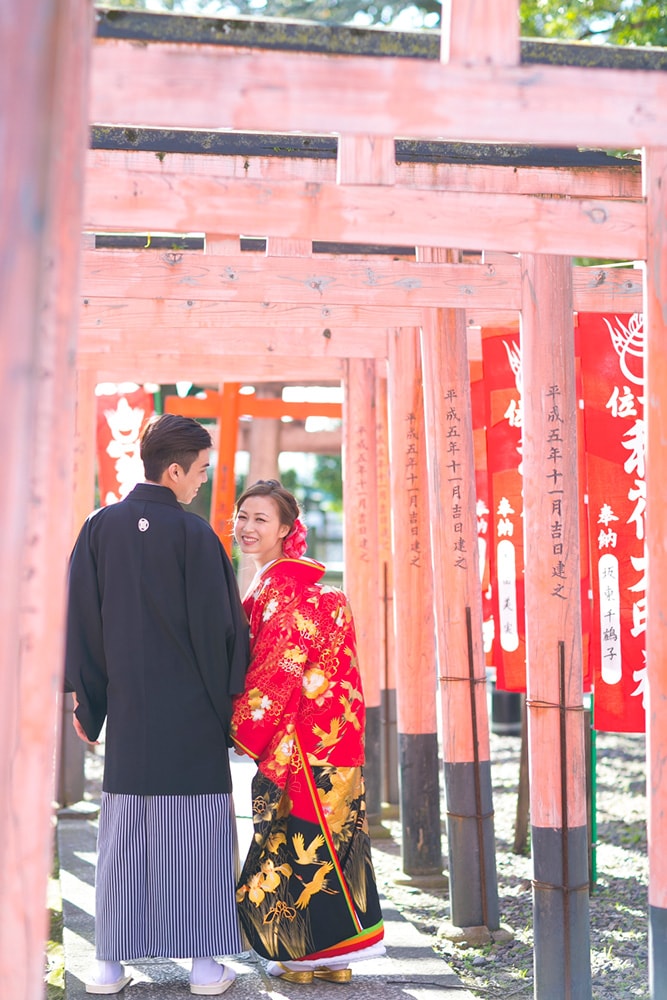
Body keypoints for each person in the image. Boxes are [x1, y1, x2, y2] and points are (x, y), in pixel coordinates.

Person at [64, 413, 250, 996]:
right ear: (174, 470)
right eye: (200, 471)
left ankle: (109, 967)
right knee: (197, 835)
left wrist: (89, 704)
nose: (201, 481)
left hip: (130, 715)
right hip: (192, 716)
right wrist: (230, 709)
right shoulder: (196, 537)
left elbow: (84, 626)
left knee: (124, 835)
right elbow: (225, 631)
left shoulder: (99, 528)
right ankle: (201, 968)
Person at [230, 479, 385, 984]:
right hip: (339, 738)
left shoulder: (283, 593)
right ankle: (338, 959)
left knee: (292, 838)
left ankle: (299, 956)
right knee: (338, 839)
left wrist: (233, 724)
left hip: (296, 742)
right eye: (243, 516)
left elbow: (273, 675)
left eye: (261, 520)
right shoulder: (314, 590)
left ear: (284, 530)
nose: (248, 528)